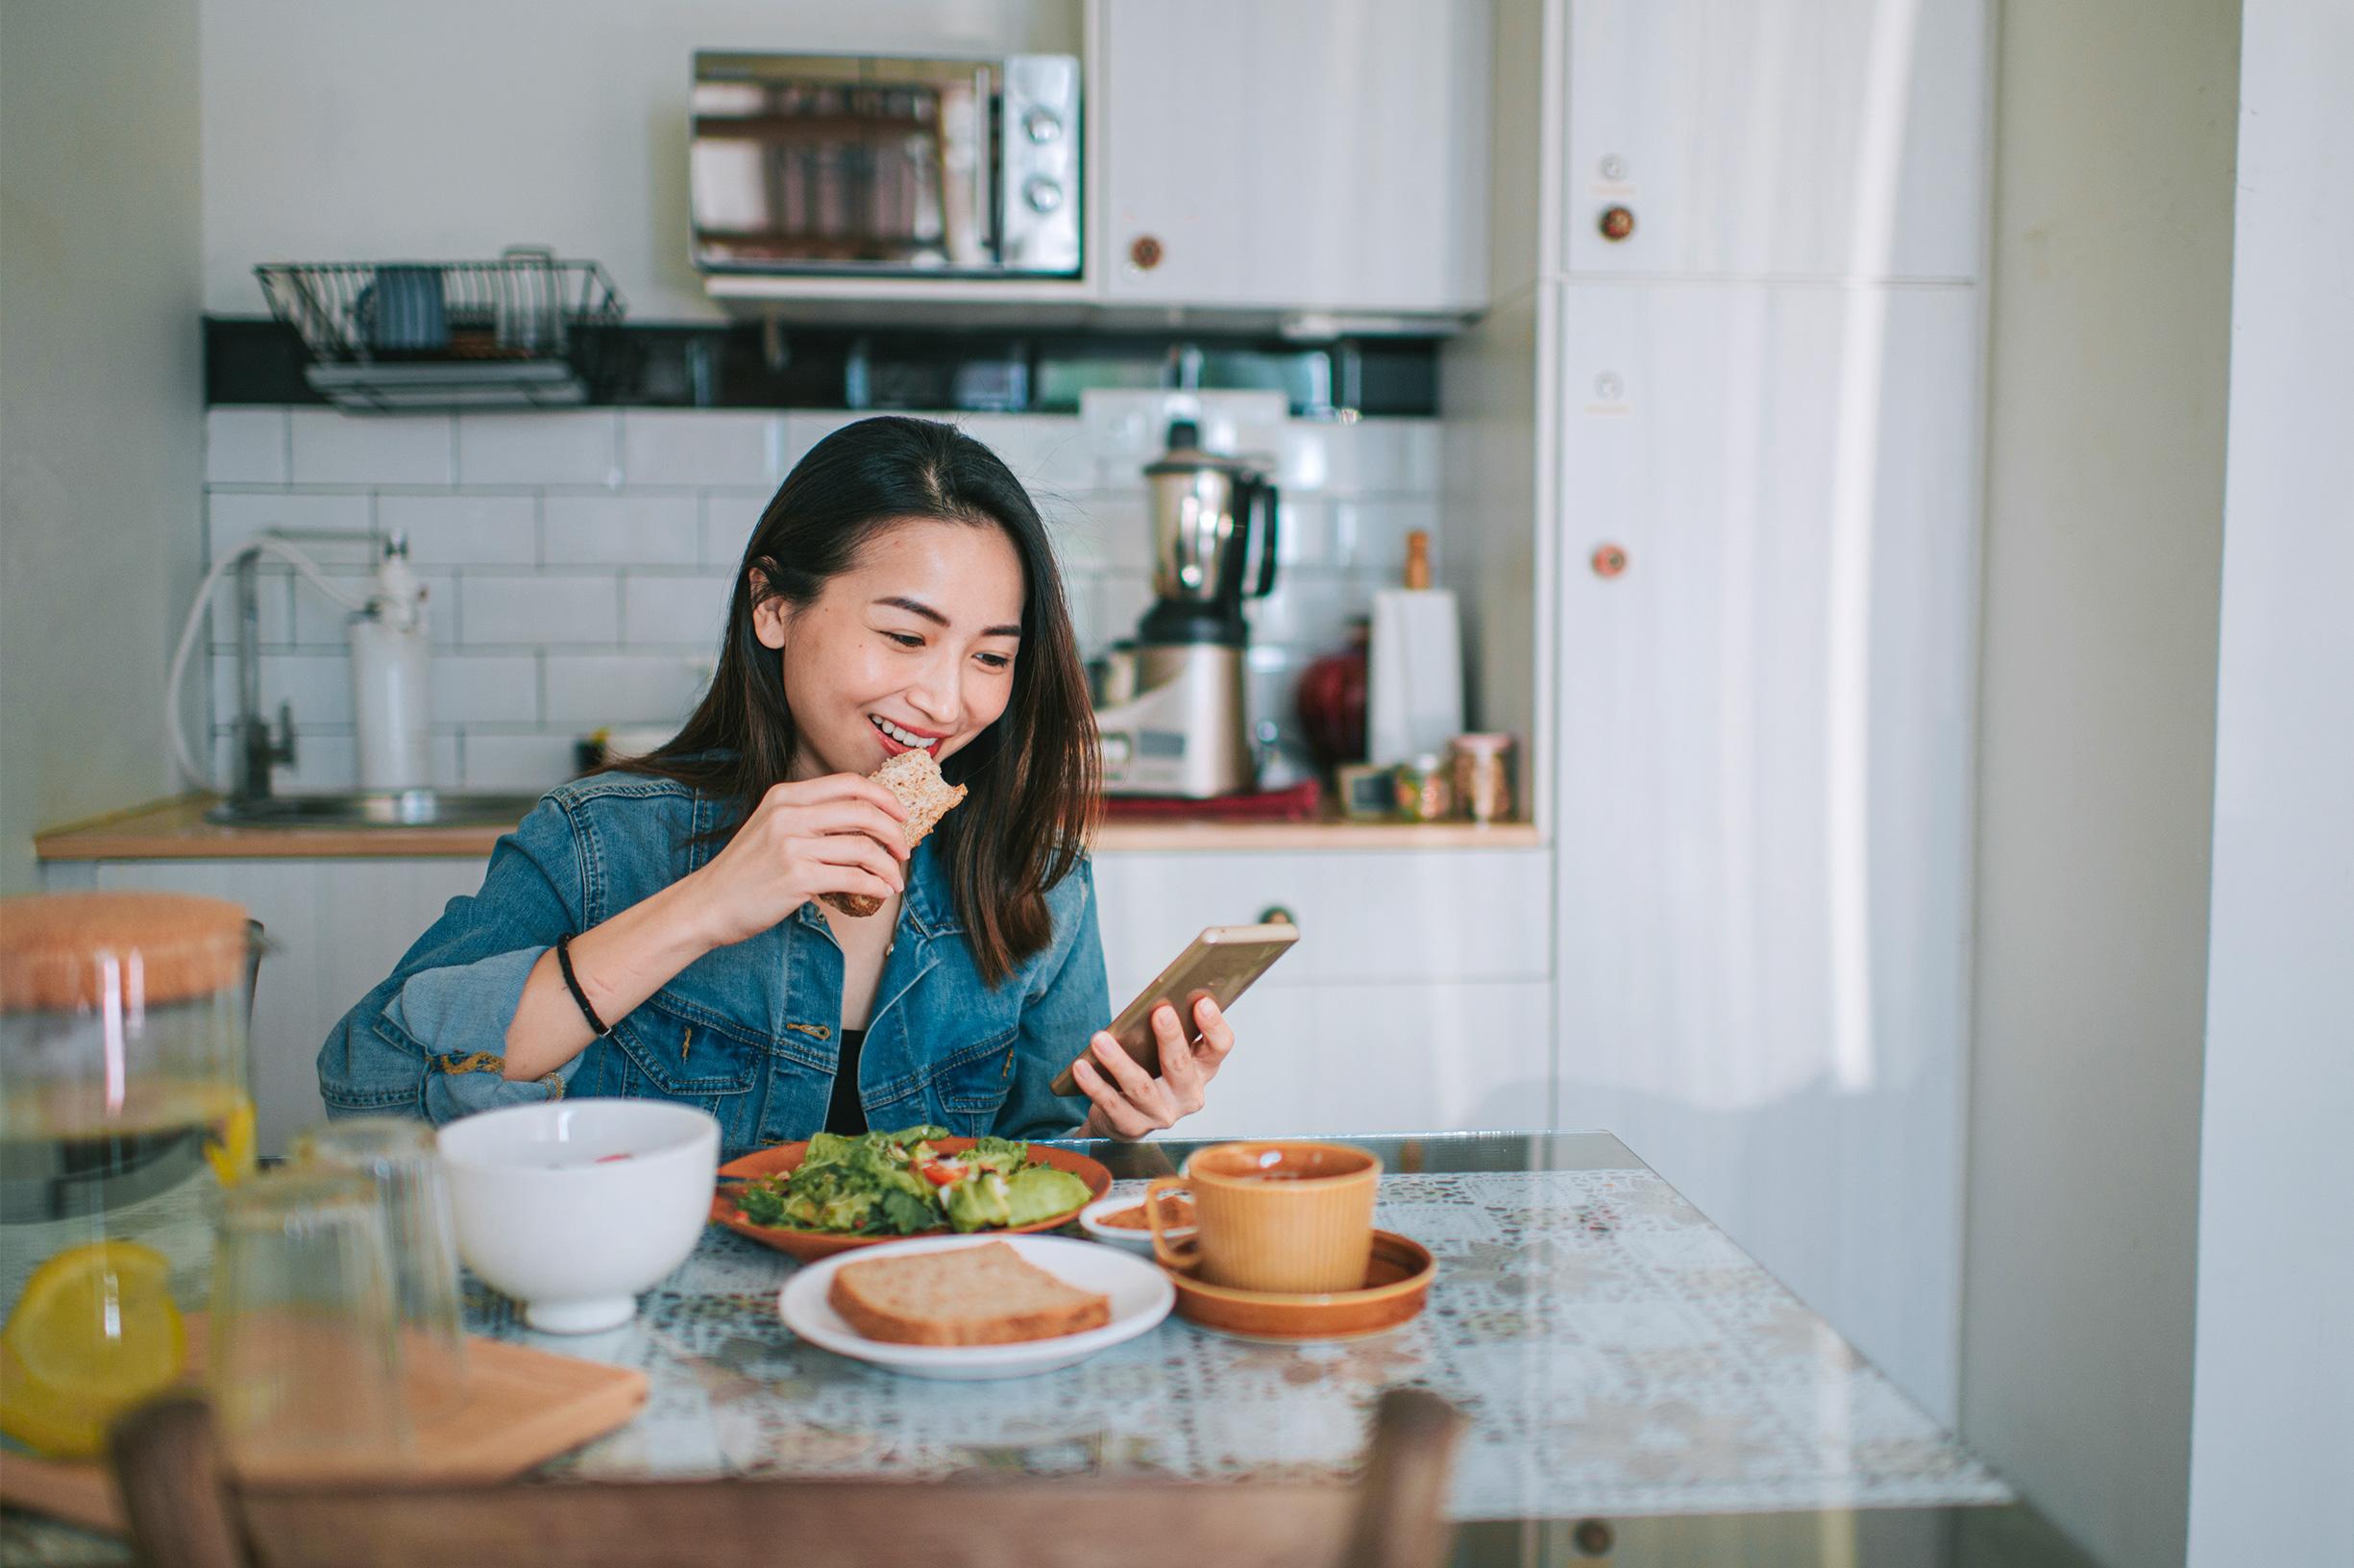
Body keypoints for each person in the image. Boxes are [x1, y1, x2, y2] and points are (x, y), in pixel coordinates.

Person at [318, 416, 1236, 1153]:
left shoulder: (1034, 878)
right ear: (774, 606)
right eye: (907, 638)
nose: (946, 701)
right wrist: (708, 904)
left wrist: (1115, 1135)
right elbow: (373, 1090)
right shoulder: (600, 843)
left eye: (991, 656)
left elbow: (1038, 1156)